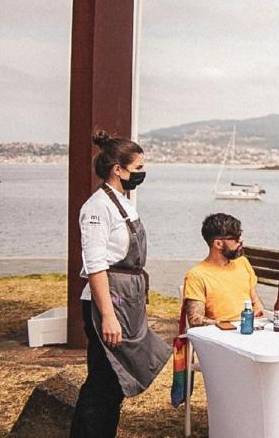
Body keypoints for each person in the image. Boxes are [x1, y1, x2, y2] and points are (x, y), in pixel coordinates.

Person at [70, 131, 170, 438]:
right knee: (103, 380)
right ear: (118, 169)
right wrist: (108, 316)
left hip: (127, 299)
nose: (141, 173)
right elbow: (96, 264)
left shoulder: (124, 203)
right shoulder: (96, 208)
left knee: (117, 383)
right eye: (138, 167)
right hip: (107, 303)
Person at [182, 213, 265, 326]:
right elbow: (196, 320)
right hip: (222, 334)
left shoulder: (242, 263)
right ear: (218, 244)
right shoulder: (197, 275)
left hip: (251, 329)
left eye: (240, 235)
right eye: (235, 237)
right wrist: (231, 325)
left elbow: (256, 303)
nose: (241, 240)